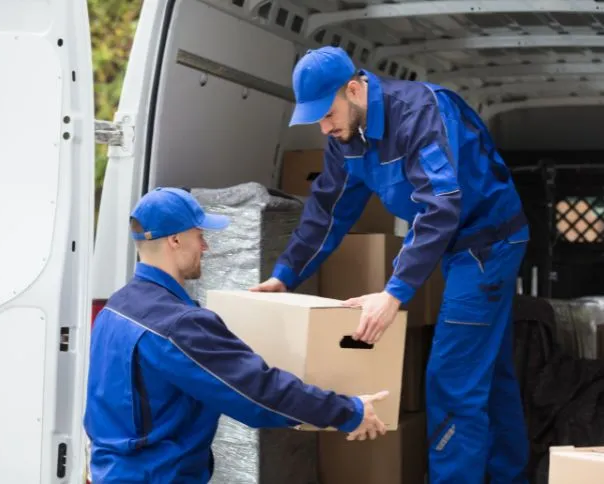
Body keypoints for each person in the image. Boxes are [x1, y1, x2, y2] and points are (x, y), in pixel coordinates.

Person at [251, 46, 530, 483]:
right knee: (489, 373)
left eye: (328, 114)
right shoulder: (345, 139)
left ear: (355, 88)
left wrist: (393, 293)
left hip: (487, 244)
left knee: (451, 380)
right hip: (457, 245)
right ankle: (510, 476)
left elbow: (440, 207)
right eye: (317, 120)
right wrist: (284, 276)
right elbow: (328, 211)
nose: (325, 128)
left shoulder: (418, 114)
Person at [83, 186, 389, 483]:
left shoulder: (116, 307)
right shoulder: (178, 324)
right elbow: (259, 393)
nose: (206, 247)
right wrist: (349, 411)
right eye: (200, 236)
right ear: (175, 240)